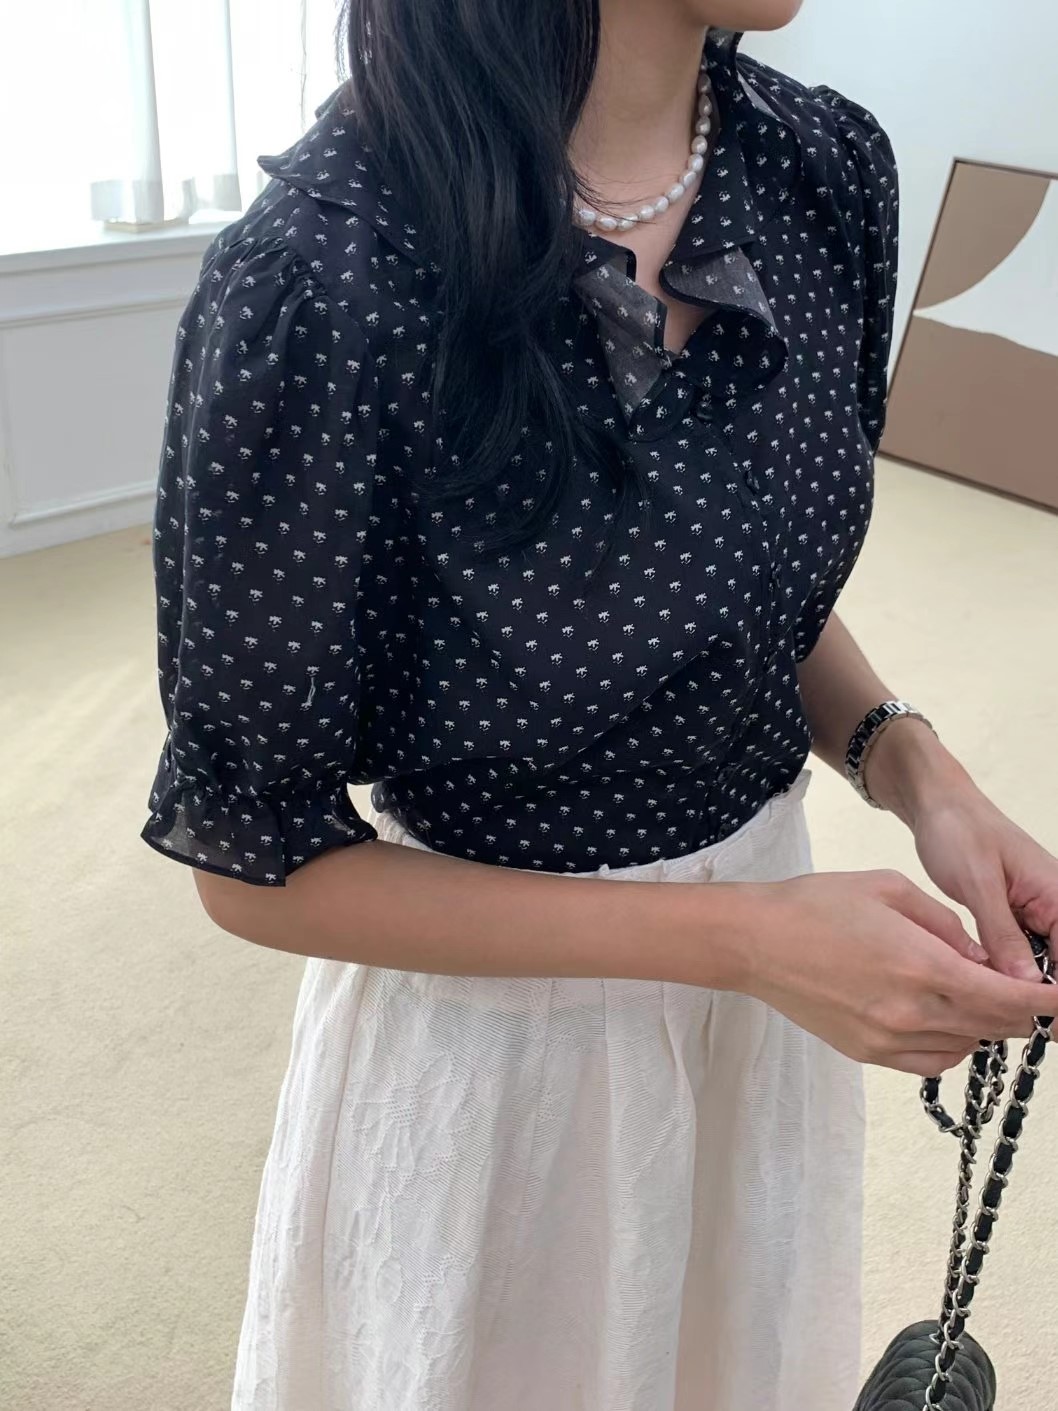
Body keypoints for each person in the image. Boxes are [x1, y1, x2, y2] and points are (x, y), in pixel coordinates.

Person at [139, 2, 1058, 1407]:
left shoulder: (825, 173)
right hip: (509, 1052)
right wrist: (742, 941)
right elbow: (253, 862)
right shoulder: (323, 271)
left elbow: (727, 583)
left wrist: (914, 768)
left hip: (771, 996)